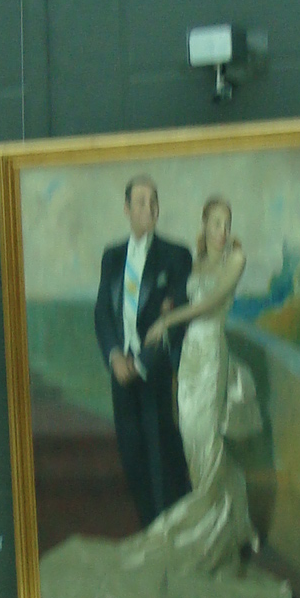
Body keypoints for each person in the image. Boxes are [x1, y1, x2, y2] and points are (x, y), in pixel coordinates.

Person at [43, 196, 293, 598]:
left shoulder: (235, 259)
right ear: (205, 225)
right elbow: (171, 297)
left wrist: (168, 320)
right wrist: (162, 314)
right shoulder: (195, 261)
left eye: (227, 223)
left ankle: (216, 538)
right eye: (216, 222)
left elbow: (209, 304)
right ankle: (222, 525)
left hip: (211, 358)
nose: (222, 230)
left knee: (207, 444)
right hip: (188, 361)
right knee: (194, 448)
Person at [94, 174, 192, 528]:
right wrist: (114, 357)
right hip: (121, 373)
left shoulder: (176, 256)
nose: (148, 208)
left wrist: (141, 363)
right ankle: (150, 528)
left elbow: (177, 318)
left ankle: (173, 530)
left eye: (153, 202)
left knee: (161, 454)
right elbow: (103, 312)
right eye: (140, 202)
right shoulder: (112, 256)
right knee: (131, 453)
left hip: (155, 370)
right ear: (126, 209)